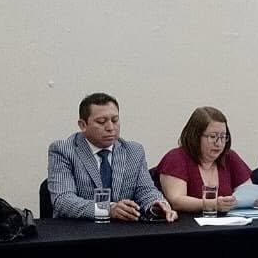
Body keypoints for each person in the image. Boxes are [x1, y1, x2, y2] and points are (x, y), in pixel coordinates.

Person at [47, 92, 177, 220]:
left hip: (122, 229)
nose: (110, 127)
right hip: (78, 229)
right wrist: (107, 209)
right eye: (101, 122)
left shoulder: (133, 151)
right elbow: (63, 200)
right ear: (83, 125)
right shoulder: (63, 150)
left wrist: (157, 205)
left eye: (115, 120)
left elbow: (145, 190)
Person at [156, 106, 258, 214]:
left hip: (228, 225)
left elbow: (248, 191)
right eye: (213, 137)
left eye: (223, 137)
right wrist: (212, 205)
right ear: (195, 136)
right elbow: (176, 201)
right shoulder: (176, 158)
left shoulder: (229, 157)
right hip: (186, 226)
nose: (219, 143)